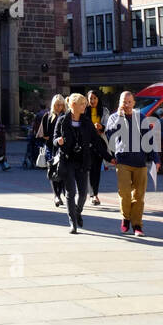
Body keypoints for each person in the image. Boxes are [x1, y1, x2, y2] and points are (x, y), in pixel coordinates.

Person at [53, 92, 102, 232]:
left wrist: (109, 156)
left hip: (83, 161)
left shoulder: (86, 122)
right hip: (68, 160)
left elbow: (96, 141)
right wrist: (58, 141)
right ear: (73, 105)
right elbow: (54, 139)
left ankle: (77, 211)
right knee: (70, 192)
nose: (85, 106)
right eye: (82, 104)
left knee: (83, 193)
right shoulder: (62, 120)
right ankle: (73, 222)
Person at [105, 91, 151, 237]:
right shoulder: (114, 117)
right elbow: (110, 136)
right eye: (124, 102)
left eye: (129, 102)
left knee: (139, 196)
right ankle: (126, 217)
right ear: (119, 102)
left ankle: (137, 225)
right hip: (123, 160)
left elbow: (149, 139)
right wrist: (119, 118)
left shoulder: (140, 117)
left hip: (140, 161)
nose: (126, 105)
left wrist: (156, 159)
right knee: (125, 193)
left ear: (134, 103)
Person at [38, 95, 68, 206]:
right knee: (54, 171)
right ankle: (56, 195)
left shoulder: (67, 116)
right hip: (51, 148)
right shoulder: (48, 116)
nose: (59, 107)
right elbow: (42, 134)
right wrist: (49, 137)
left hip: (63, 149)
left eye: (61, 105)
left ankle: (62, 192)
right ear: (53, 105)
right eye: (57, 105)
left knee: (63, 172)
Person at [85, 90, 109, 205]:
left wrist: (101, 126)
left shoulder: (104, 111)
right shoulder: (84, 110)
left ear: (98, 99)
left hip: (99, 143)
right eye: (91, 98)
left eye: (95, 98)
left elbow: (108, 126)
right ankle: (91, 195)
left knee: (96, 170)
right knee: (89, 169)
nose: (93, 100)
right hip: (87, 144)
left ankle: (95, 194)